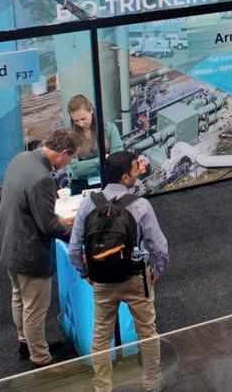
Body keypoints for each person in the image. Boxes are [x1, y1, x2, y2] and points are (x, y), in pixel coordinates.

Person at [67, 151, 168, 392]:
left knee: (101, 337)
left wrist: (85, 273)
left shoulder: (87, 203)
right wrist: (157, 269)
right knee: (147, 332)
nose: (138, 173)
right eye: (135, 169)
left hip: (102, 280)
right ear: (125, 177)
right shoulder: (141, 205)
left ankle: (102, 387)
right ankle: (152, 383)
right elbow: (160, 247)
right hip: (135, 277)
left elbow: (74, 249)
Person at [0, 130, 79, 368]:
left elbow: (27, 206)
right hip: (29, 251)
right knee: (35, 308)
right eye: (70, 159)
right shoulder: (42, 178)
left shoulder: (21, 158)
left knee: (19, 297)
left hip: (9, 244)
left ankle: (26, 342)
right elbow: (48, 227)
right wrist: (77, 232)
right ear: (63, 153)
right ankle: (40, 358)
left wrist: (57, 219)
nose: (68, 163)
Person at [65, 93, 123, 189]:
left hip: (109, 178)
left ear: (91, 110)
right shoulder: (70, 136)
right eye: (76, 121)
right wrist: (102, 160)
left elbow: (118, 157)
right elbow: (75, 169)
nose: (81, 124)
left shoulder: (109, 128)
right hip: (82, 183)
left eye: (83, 119)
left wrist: (86, 165)